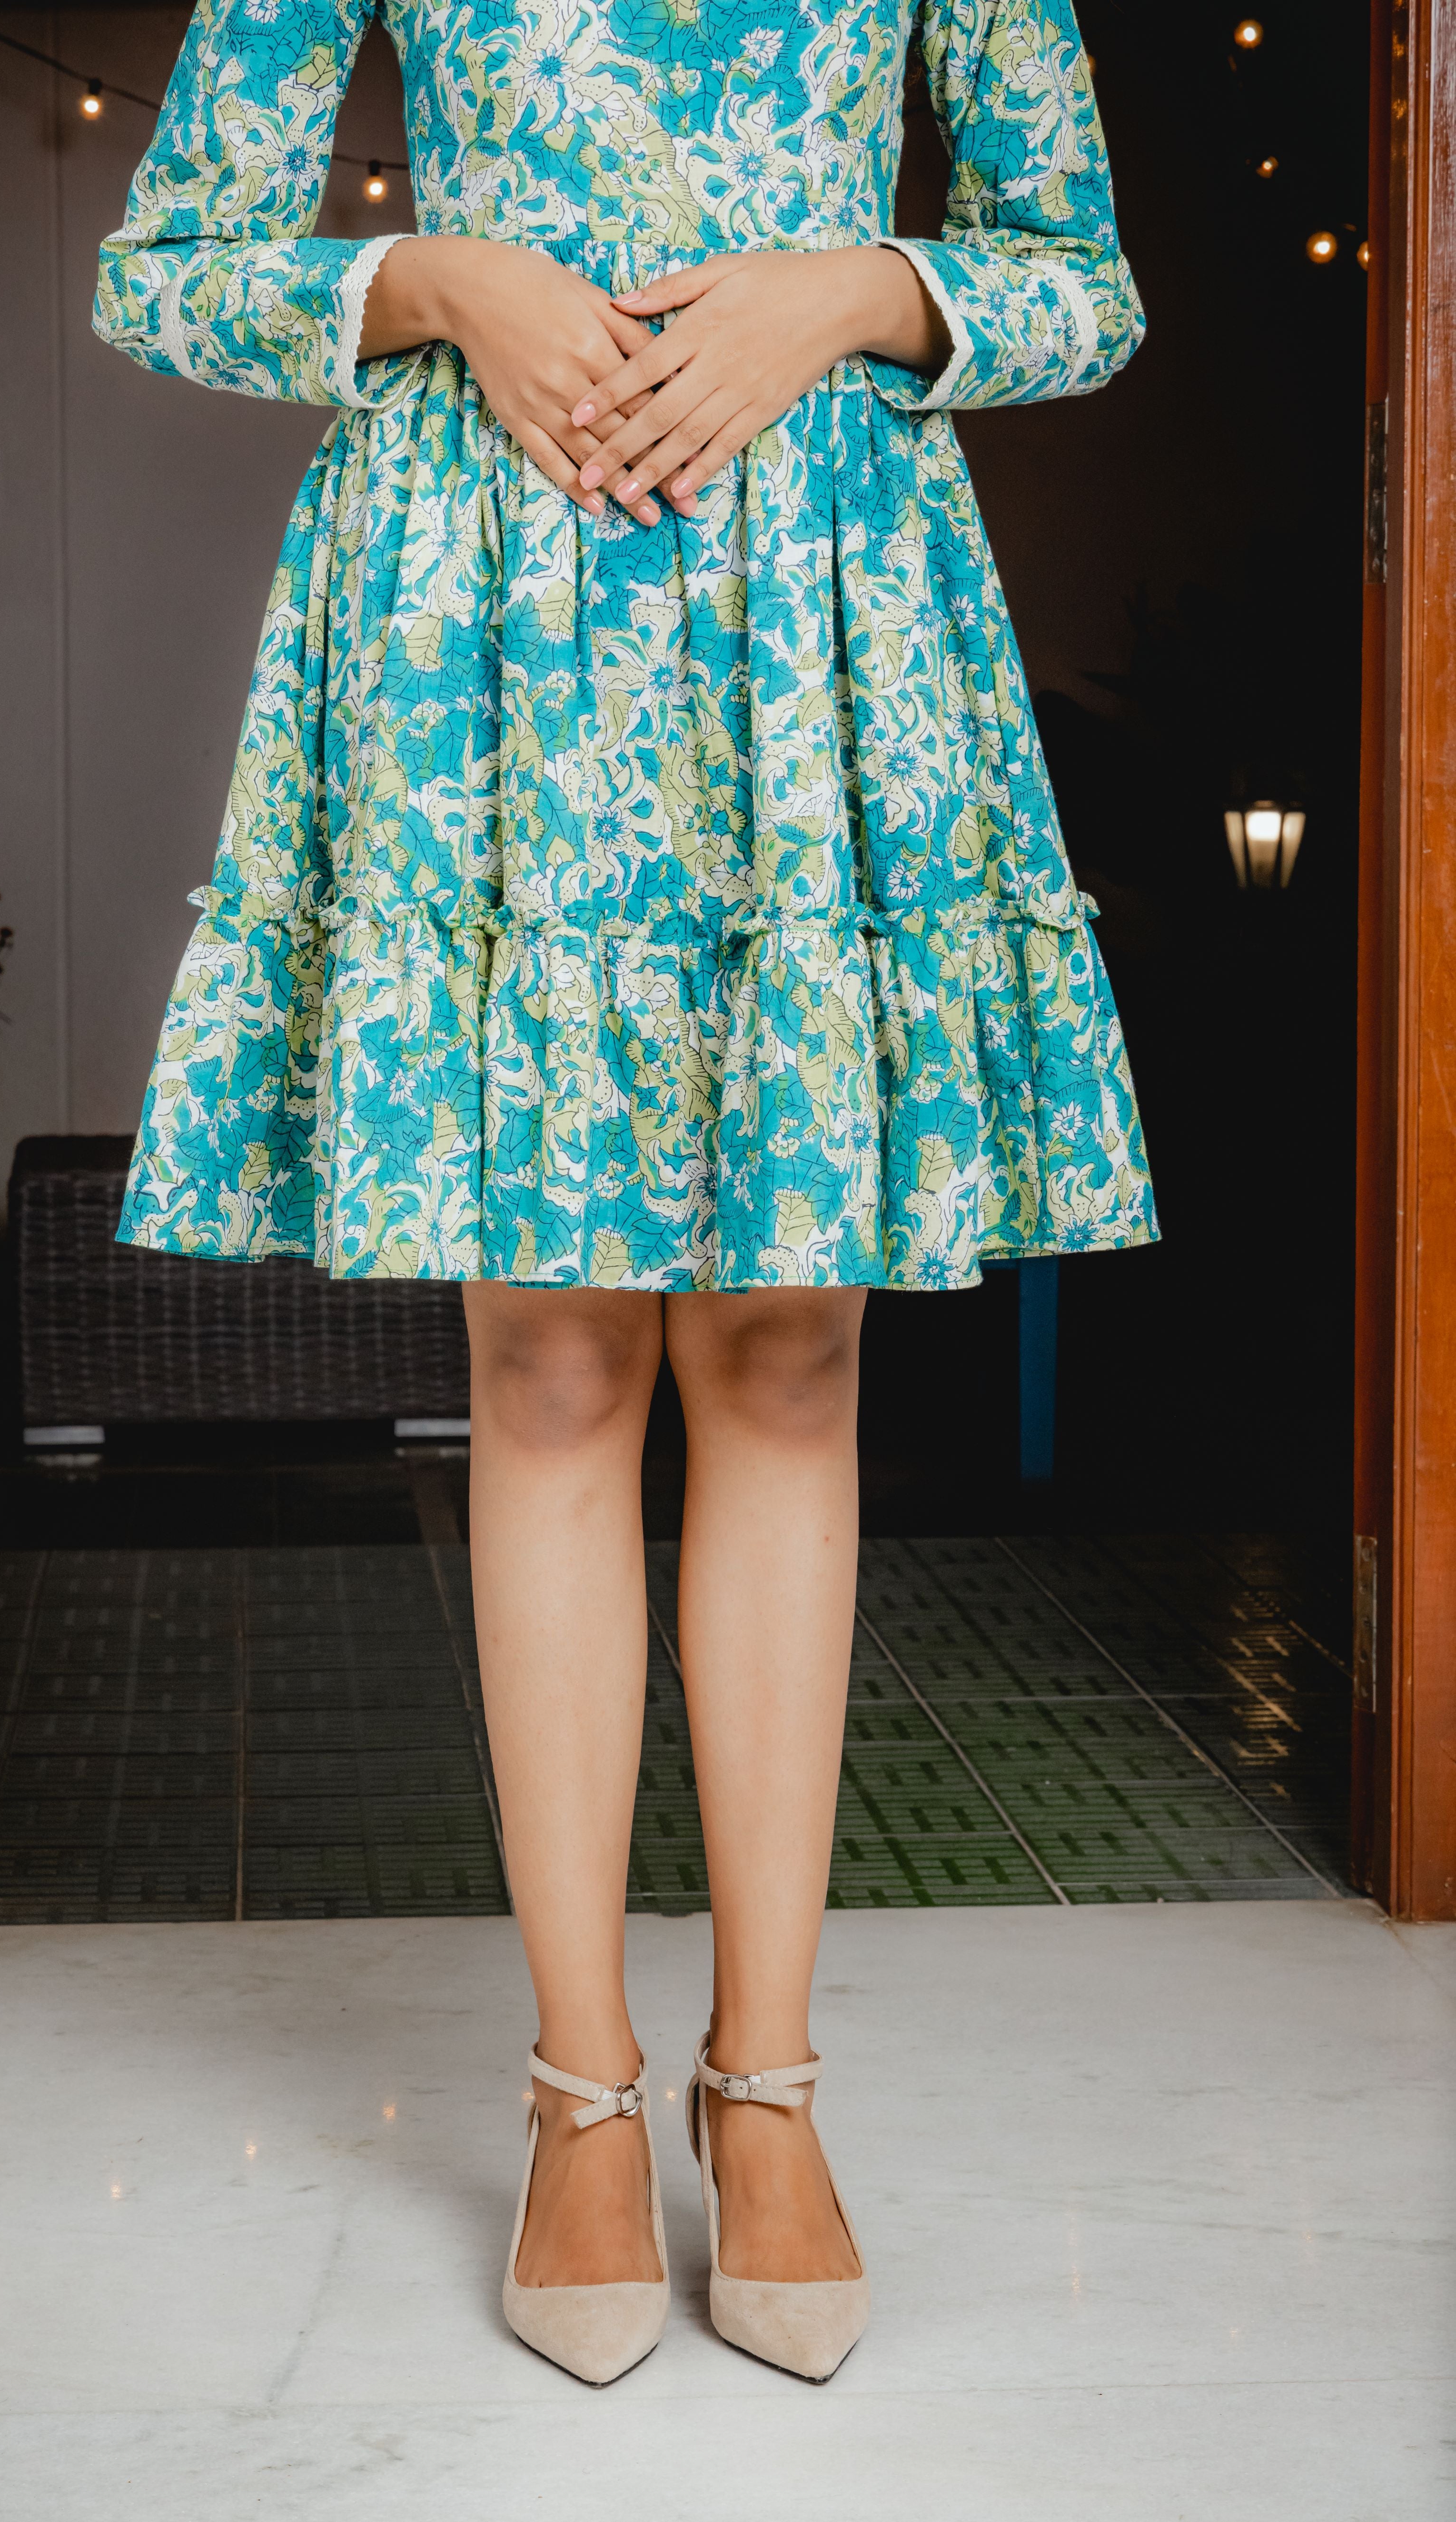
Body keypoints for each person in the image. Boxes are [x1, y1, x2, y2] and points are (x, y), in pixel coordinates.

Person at [96, 0, 1155, 2386]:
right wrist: (433, 280)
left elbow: (1077, 275)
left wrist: (856, 293)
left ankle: (762, 2082)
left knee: (784, 1345)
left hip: (823, 598)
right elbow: (166, 268)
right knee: (552, 1353)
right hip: (487, 606)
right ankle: (580, 2087)